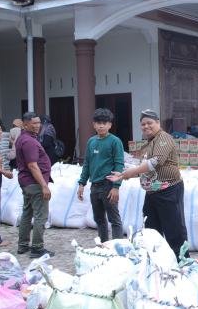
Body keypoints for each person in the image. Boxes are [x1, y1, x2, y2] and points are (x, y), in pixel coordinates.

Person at [108, 109, 187, 257]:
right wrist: (125, 175)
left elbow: (155, 162)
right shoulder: (150, 143)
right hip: (152, 193)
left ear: (158, 122)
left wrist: (129, 173)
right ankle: (156, 262)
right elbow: (145, 168)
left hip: (168, 191)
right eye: (143, 124)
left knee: (174, 230)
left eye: (149, 123)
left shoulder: (163, 138)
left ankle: (182, 263)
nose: (146, 126)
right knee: (151, 230)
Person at [78, 108, 125, 243]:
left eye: (105, 123)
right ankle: (104, 246)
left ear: (110, 125)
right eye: (98, 123)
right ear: (94, 125)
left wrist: (116, 186)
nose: (101, 125)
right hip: (95, 186)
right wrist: (82, 183)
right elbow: (87, 164)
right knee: (99, 219)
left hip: (108, 185)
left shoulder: (115, 141)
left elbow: (119, 164)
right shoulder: (91, 141)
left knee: (114, 219)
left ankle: (117, 249)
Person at [15, 112, 54, 258]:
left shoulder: (23, 138)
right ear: (25, 125)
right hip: (34, 183)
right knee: (40, 216)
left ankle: (23, 245)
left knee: (27, 213)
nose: (37, 126)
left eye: (39, 123)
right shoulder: (30, 141)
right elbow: (32, 165)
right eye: (34, 123)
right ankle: (37, 248)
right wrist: (44, 185)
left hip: (27, 182)